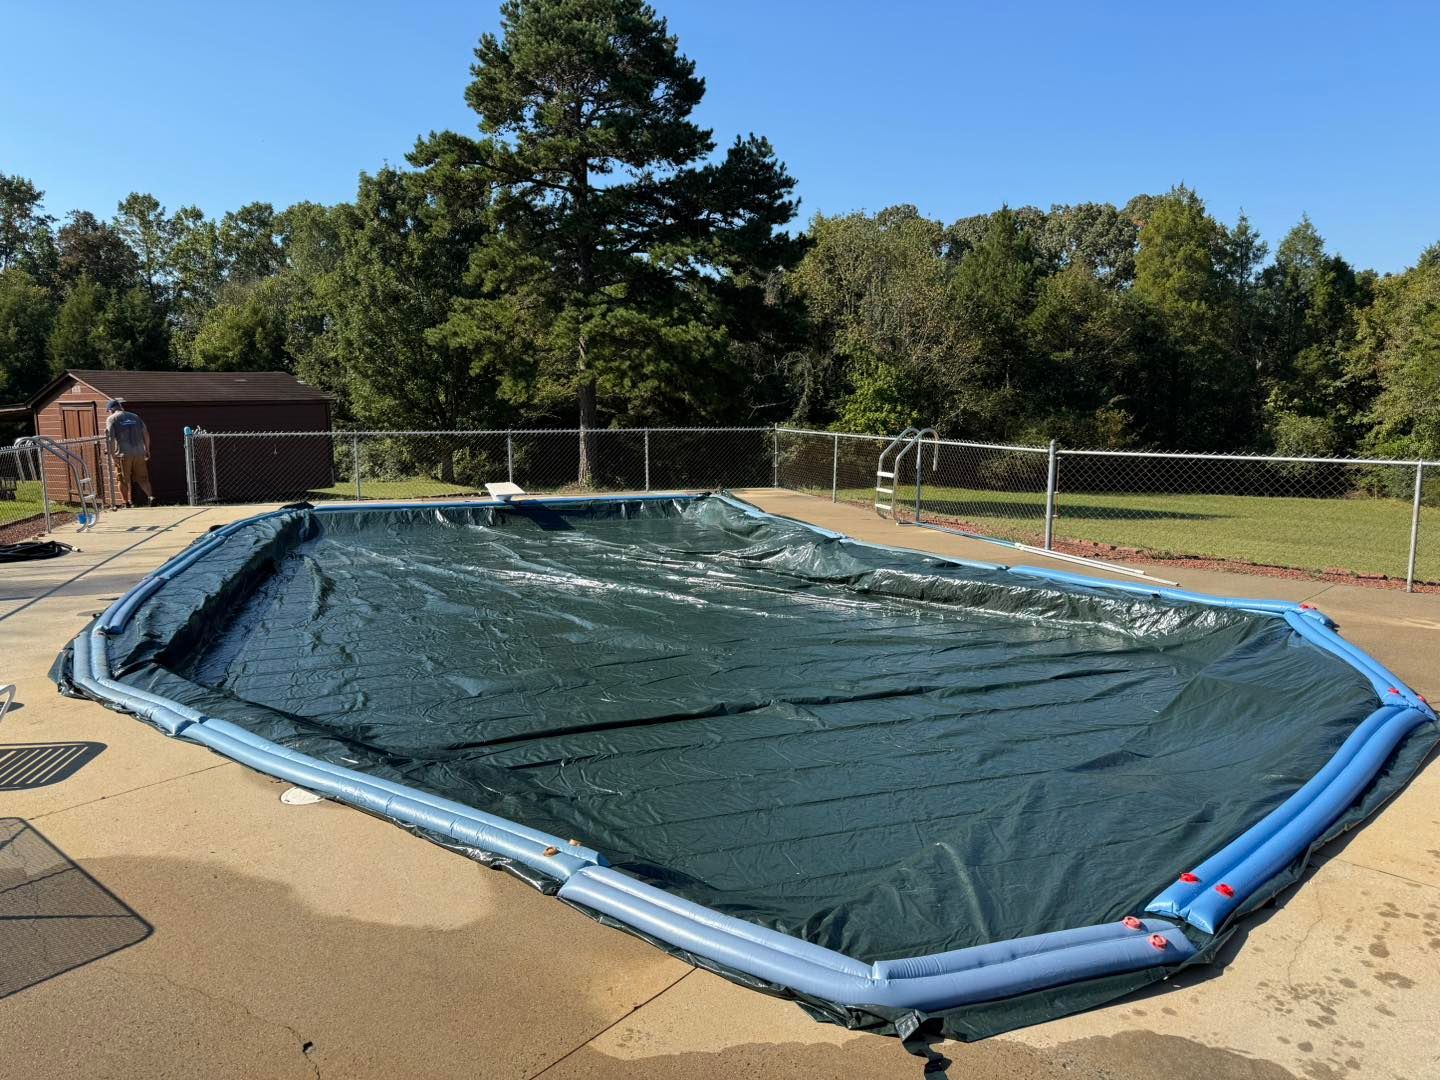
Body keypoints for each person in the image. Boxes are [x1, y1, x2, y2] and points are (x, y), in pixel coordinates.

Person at [105, 399, 153, 508]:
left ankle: (125, 502)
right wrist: (147, 449)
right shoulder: (135, 416)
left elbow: (110, 439)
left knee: (122, 480)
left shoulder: (111, 419)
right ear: (120, 407)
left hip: (123, 454)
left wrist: (113, 456)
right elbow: (145, 433)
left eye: (109, 411)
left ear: (111, 409)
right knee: (143, 478)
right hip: (139, 453)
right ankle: (151, 497)